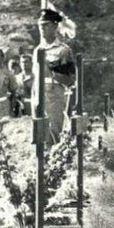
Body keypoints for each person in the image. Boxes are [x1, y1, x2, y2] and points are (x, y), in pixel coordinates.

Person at [32, 9, 76, 142]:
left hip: (55, 95)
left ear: (55, 26)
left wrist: (51, 72)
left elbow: (70, 80)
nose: (42, 28)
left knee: (56, 133)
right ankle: (42, 161)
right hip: (38, 95)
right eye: (41, 25)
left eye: (46, 25)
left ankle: (58, 160)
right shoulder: (37, 50)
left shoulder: (63, 50)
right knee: (39, 134)